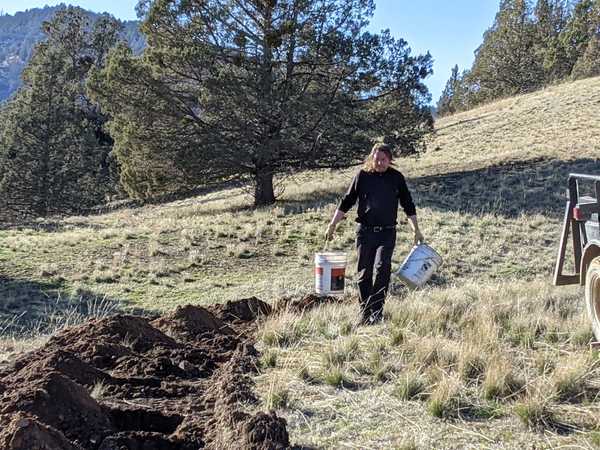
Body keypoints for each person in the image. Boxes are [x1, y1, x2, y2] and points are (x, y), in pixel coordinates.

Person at [325, 143, 423, 325]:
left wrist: (415, 229)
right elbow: (347, 201)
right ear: (372, 158)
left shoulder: (396, 178)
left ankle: (377, 312)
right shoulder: (362, 176)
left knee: (383, 268)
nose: (379, 163)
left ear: (390, 160)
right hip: (365, 232)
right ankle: (365, 312)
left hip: (387, 233)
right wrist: (332, 225)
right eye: (377, 159)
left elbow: (408, 204)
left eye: (383, 160)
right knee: (363, 273)